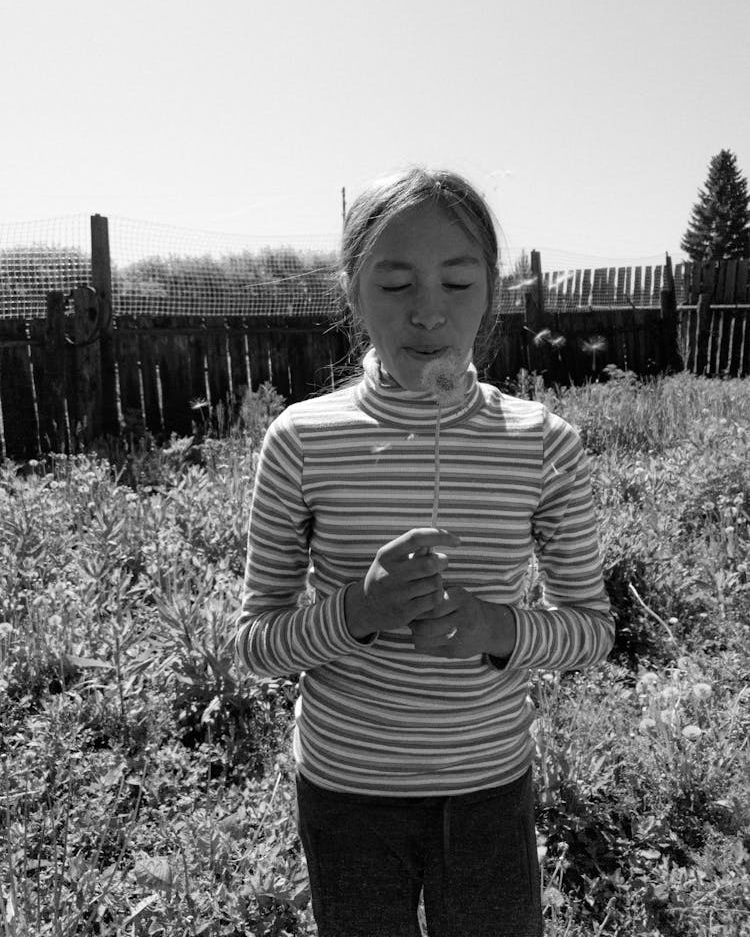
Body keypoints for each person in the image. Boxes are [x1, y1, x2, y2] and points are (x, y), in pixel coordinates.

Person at [235, 167, 614, 937]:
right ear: (353, 290)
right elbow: (254, 645)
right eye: (397, 282)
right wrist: (357, 612)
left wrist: (495, 629)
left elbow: (592, 631)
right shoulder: (302, 441)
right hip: (345, 792)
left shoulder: (542, 445)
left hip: (487, 790)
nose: (429, 313)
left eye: (458, 283)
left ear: (492, 294)